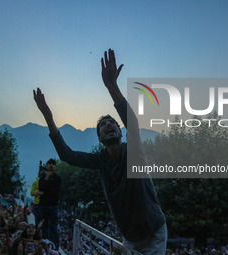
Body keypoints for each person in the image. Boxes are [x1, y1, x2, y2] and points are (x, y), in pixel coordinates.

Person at [33, 49, 167, 254]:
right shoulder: (100, 161)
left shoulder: (134, 153)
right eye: (103, 124)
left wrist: (111, 86)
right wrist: (48, 117)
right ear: (100, 138)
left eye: (112, 122)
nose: (109, 125)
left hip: (154, 232)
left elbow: (133, 124)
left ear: (120, 132)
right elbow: (67, 155)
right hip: (130, 237)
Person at [37, 159, 62, 250]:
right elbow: (40, 188)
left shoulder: (58, 178)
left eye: (53, 164)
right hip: (43, 205)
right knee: (43, 226)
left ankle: (55, 248)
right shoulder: (42, 177)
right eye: (49, 164)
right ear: (47, 165)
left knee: (53, 227)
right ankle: (44, 246)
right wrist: (46, 178)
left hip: (53, 205)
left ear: (55, 166)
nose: (51, 166)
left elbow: (55, 191)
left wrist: (44, 192)